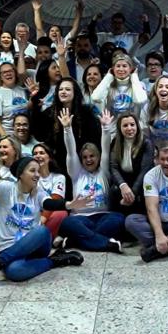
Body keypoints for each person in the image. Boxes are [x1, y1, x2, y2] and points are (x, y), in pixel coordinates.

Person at [0, 153, 86, 289]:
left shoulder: (38, 192)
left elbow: (49, 203)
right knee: (14, 272)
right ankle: (54, 260)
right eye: (32, 171)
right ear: (20, 174)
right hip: (9, 247)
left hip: (35, 247)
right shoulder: (6, 188)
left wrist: (69, 205)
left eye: (38, 171)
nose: (37, 175)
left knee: (41, 231)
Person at [56, 108, 125, 253]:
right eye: (85, 157)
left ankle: (76, 240)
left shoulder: (104, 171)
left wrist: (106, 128)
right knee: (68, 222)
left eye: (92, 156)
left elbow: (106, 149)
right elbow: (70, 151)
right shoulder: (76, 173)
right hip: (80, 217)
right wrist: (67, 129)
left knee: (118, 218)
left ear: (98, 157)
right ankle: (106, 243)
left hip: (103, 217)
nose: (89, 159)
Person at [108, 111, 154, 216]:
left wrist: (132, 192)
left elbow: (145, 170)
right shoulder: (116, 142)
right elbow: (113, 167)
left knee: (145, 191)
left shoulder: (146, 143)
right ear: (120, 128)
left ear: (137, 126)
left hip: (141, 181)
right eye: (125, 125)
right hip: (125, 180)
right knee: (114, 190)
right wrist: (122, 185)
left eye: (132, 125)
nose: (129, 128)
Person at [92, 51, 148, 117]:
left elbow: (140, 101)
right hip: (111, 126)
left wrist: (134, 76)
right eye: (118, 66)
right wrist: (109, 76)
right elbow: (95, 98)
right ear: (113, 69)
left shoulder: (139, 84)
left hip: (130, 126)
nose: (121, 69)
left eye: (124, 66)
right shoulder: (107, 84)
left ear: (130, 69)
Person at [0, 61, 29, 138]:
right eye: (4, 72)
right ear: (0, 77)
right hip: (6, 135)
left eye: (10, 71)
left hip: (23, 134)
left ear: (15, 73)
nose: (8, 74)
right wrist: (4, 137)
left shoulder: (23, 90)